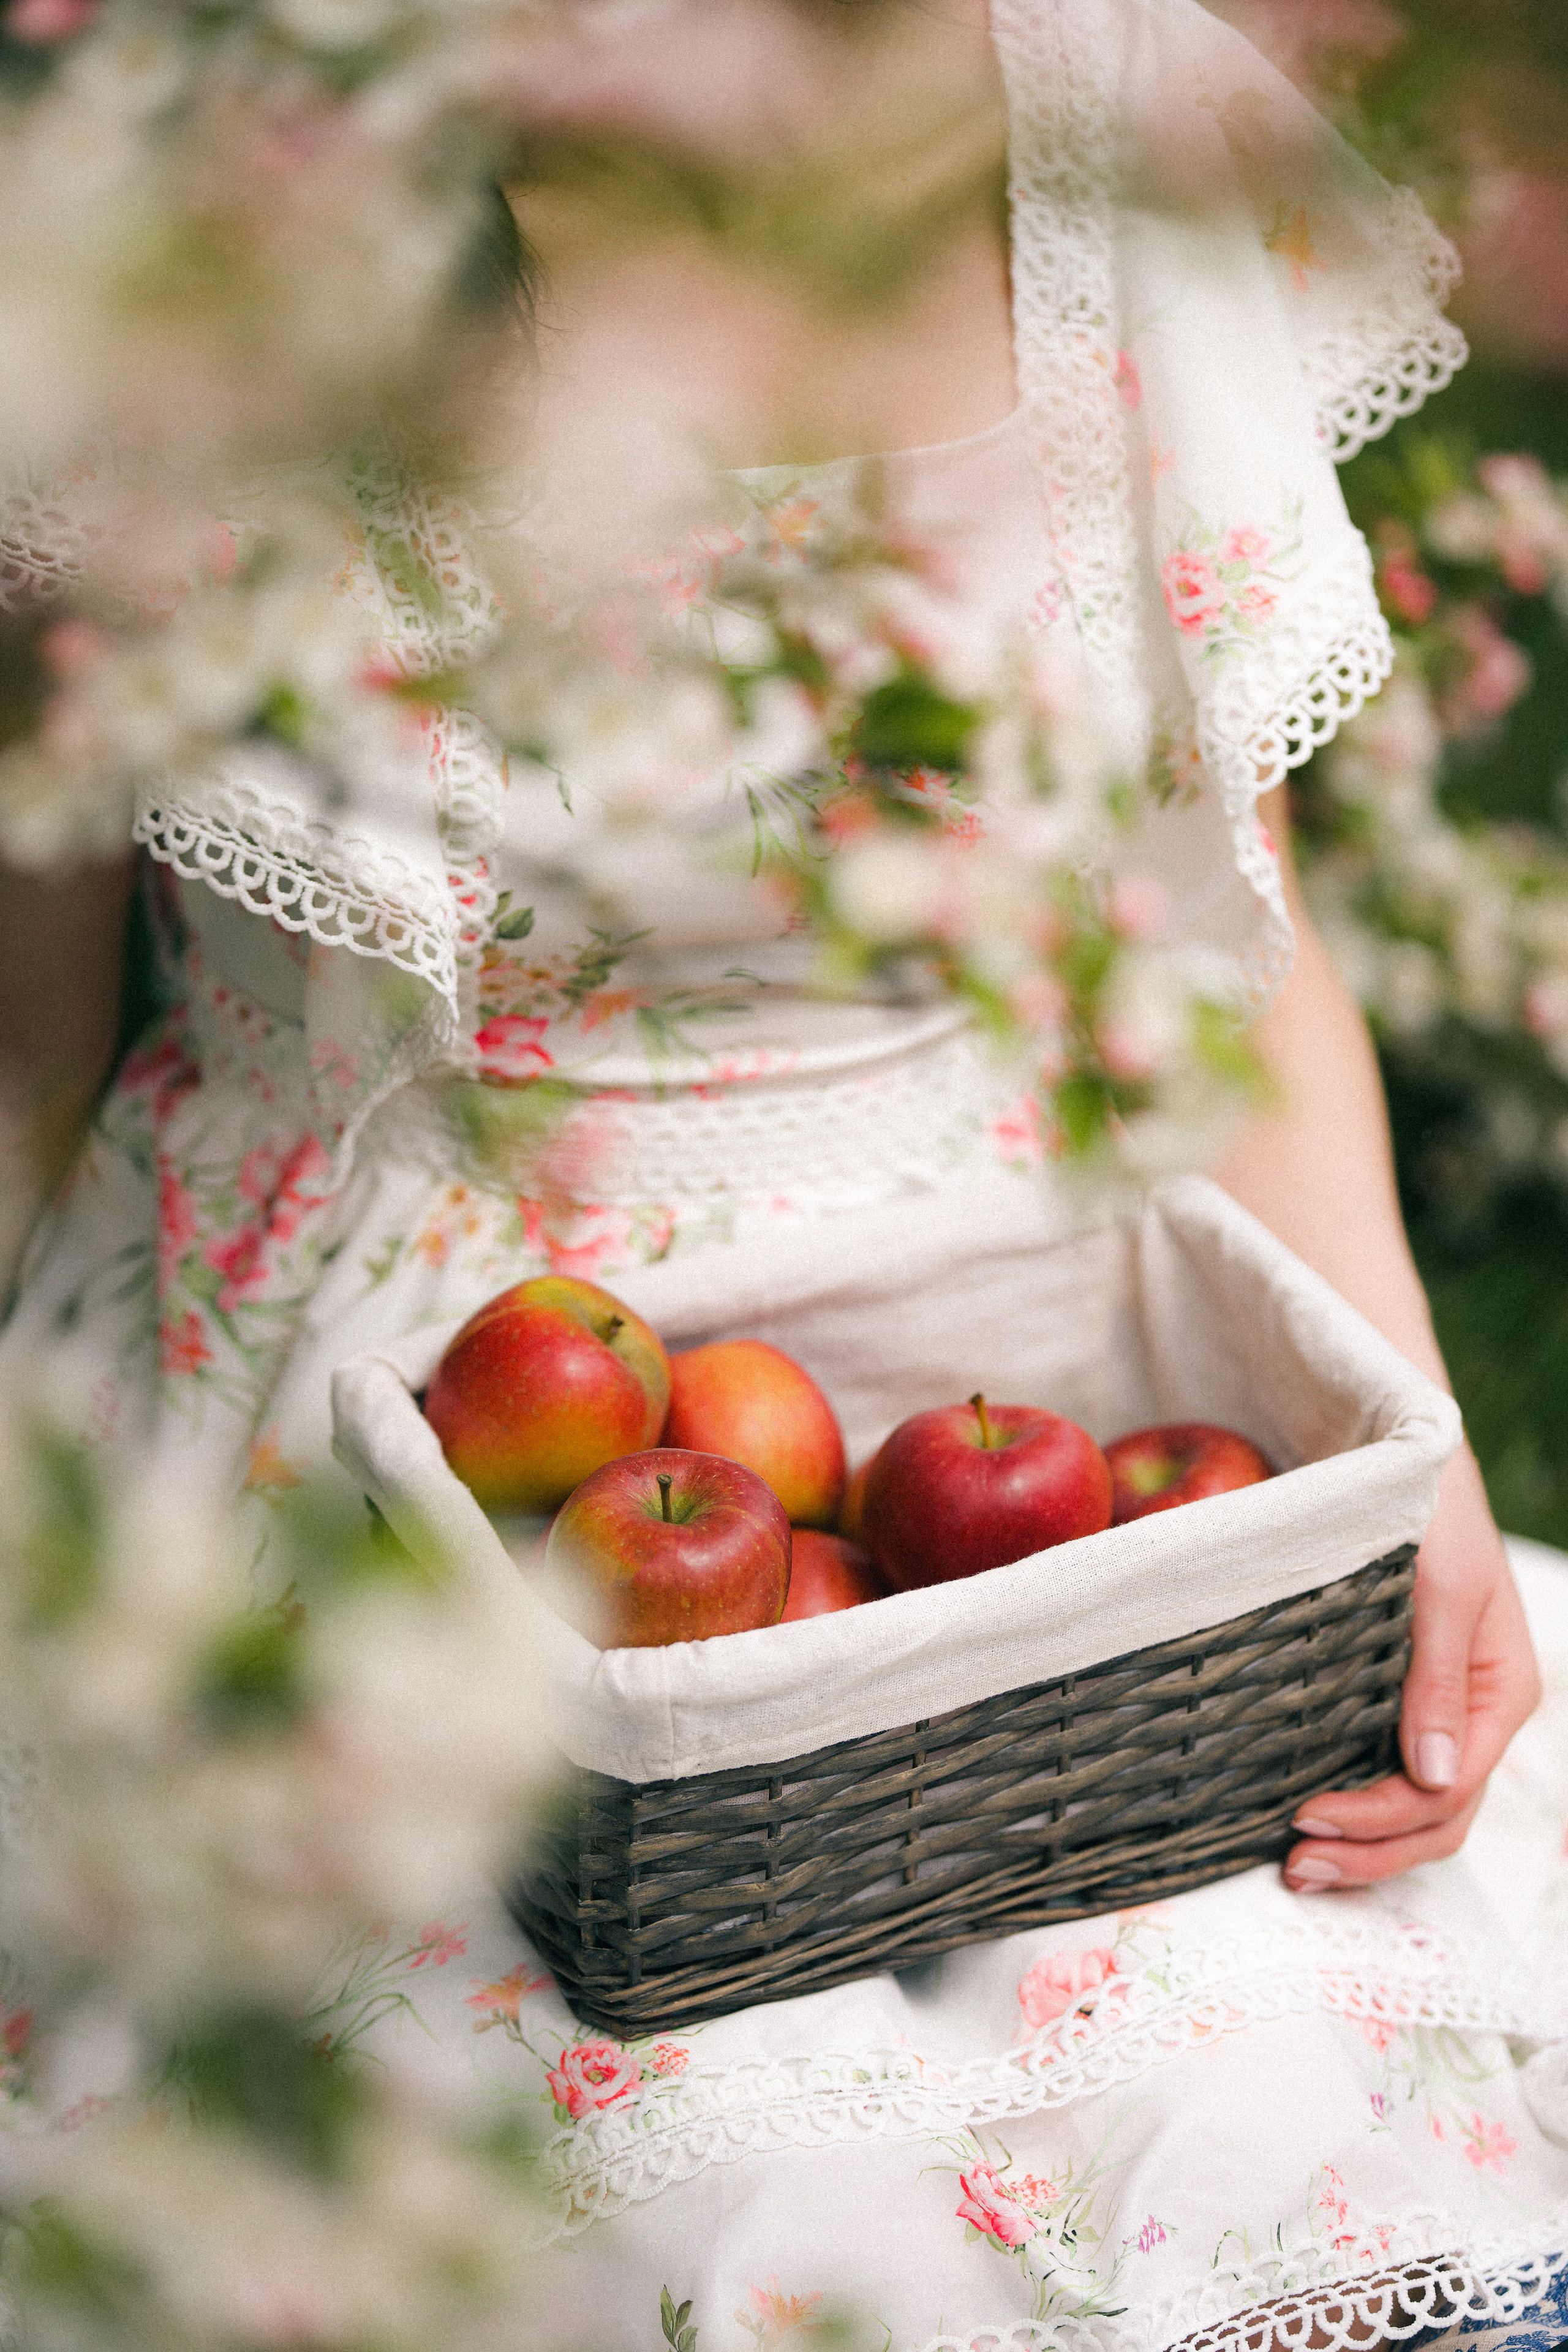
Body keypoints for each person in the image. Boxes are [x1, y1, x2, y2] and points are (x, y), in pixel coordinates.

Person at [1, 1, 1564, 2346]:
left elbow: (1223, 926)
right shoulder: (203, 202)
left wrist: (1403, 1468)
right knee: (616, 2163)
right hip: (386, 1425)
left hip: (1035, 1364)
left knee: (1286, 2068)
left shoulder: (1102, 107)